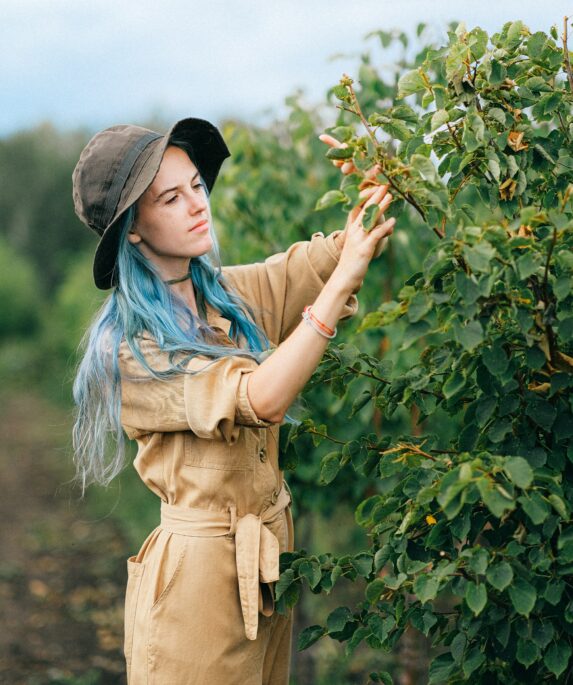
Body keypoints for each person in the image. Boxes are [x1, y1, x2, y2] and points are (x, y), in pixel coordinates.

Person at [71, 117, 395, 685]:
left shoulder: (228, 297)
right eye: (170, 197)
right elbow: (260, 398)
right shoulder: (131, 350)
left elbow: (322, 262)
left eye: (196, 185)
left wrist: (370, 185)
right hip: (197, 588)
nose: (198, 204)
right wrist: (340, 286)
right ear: (134, 230)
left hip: (268, 569)